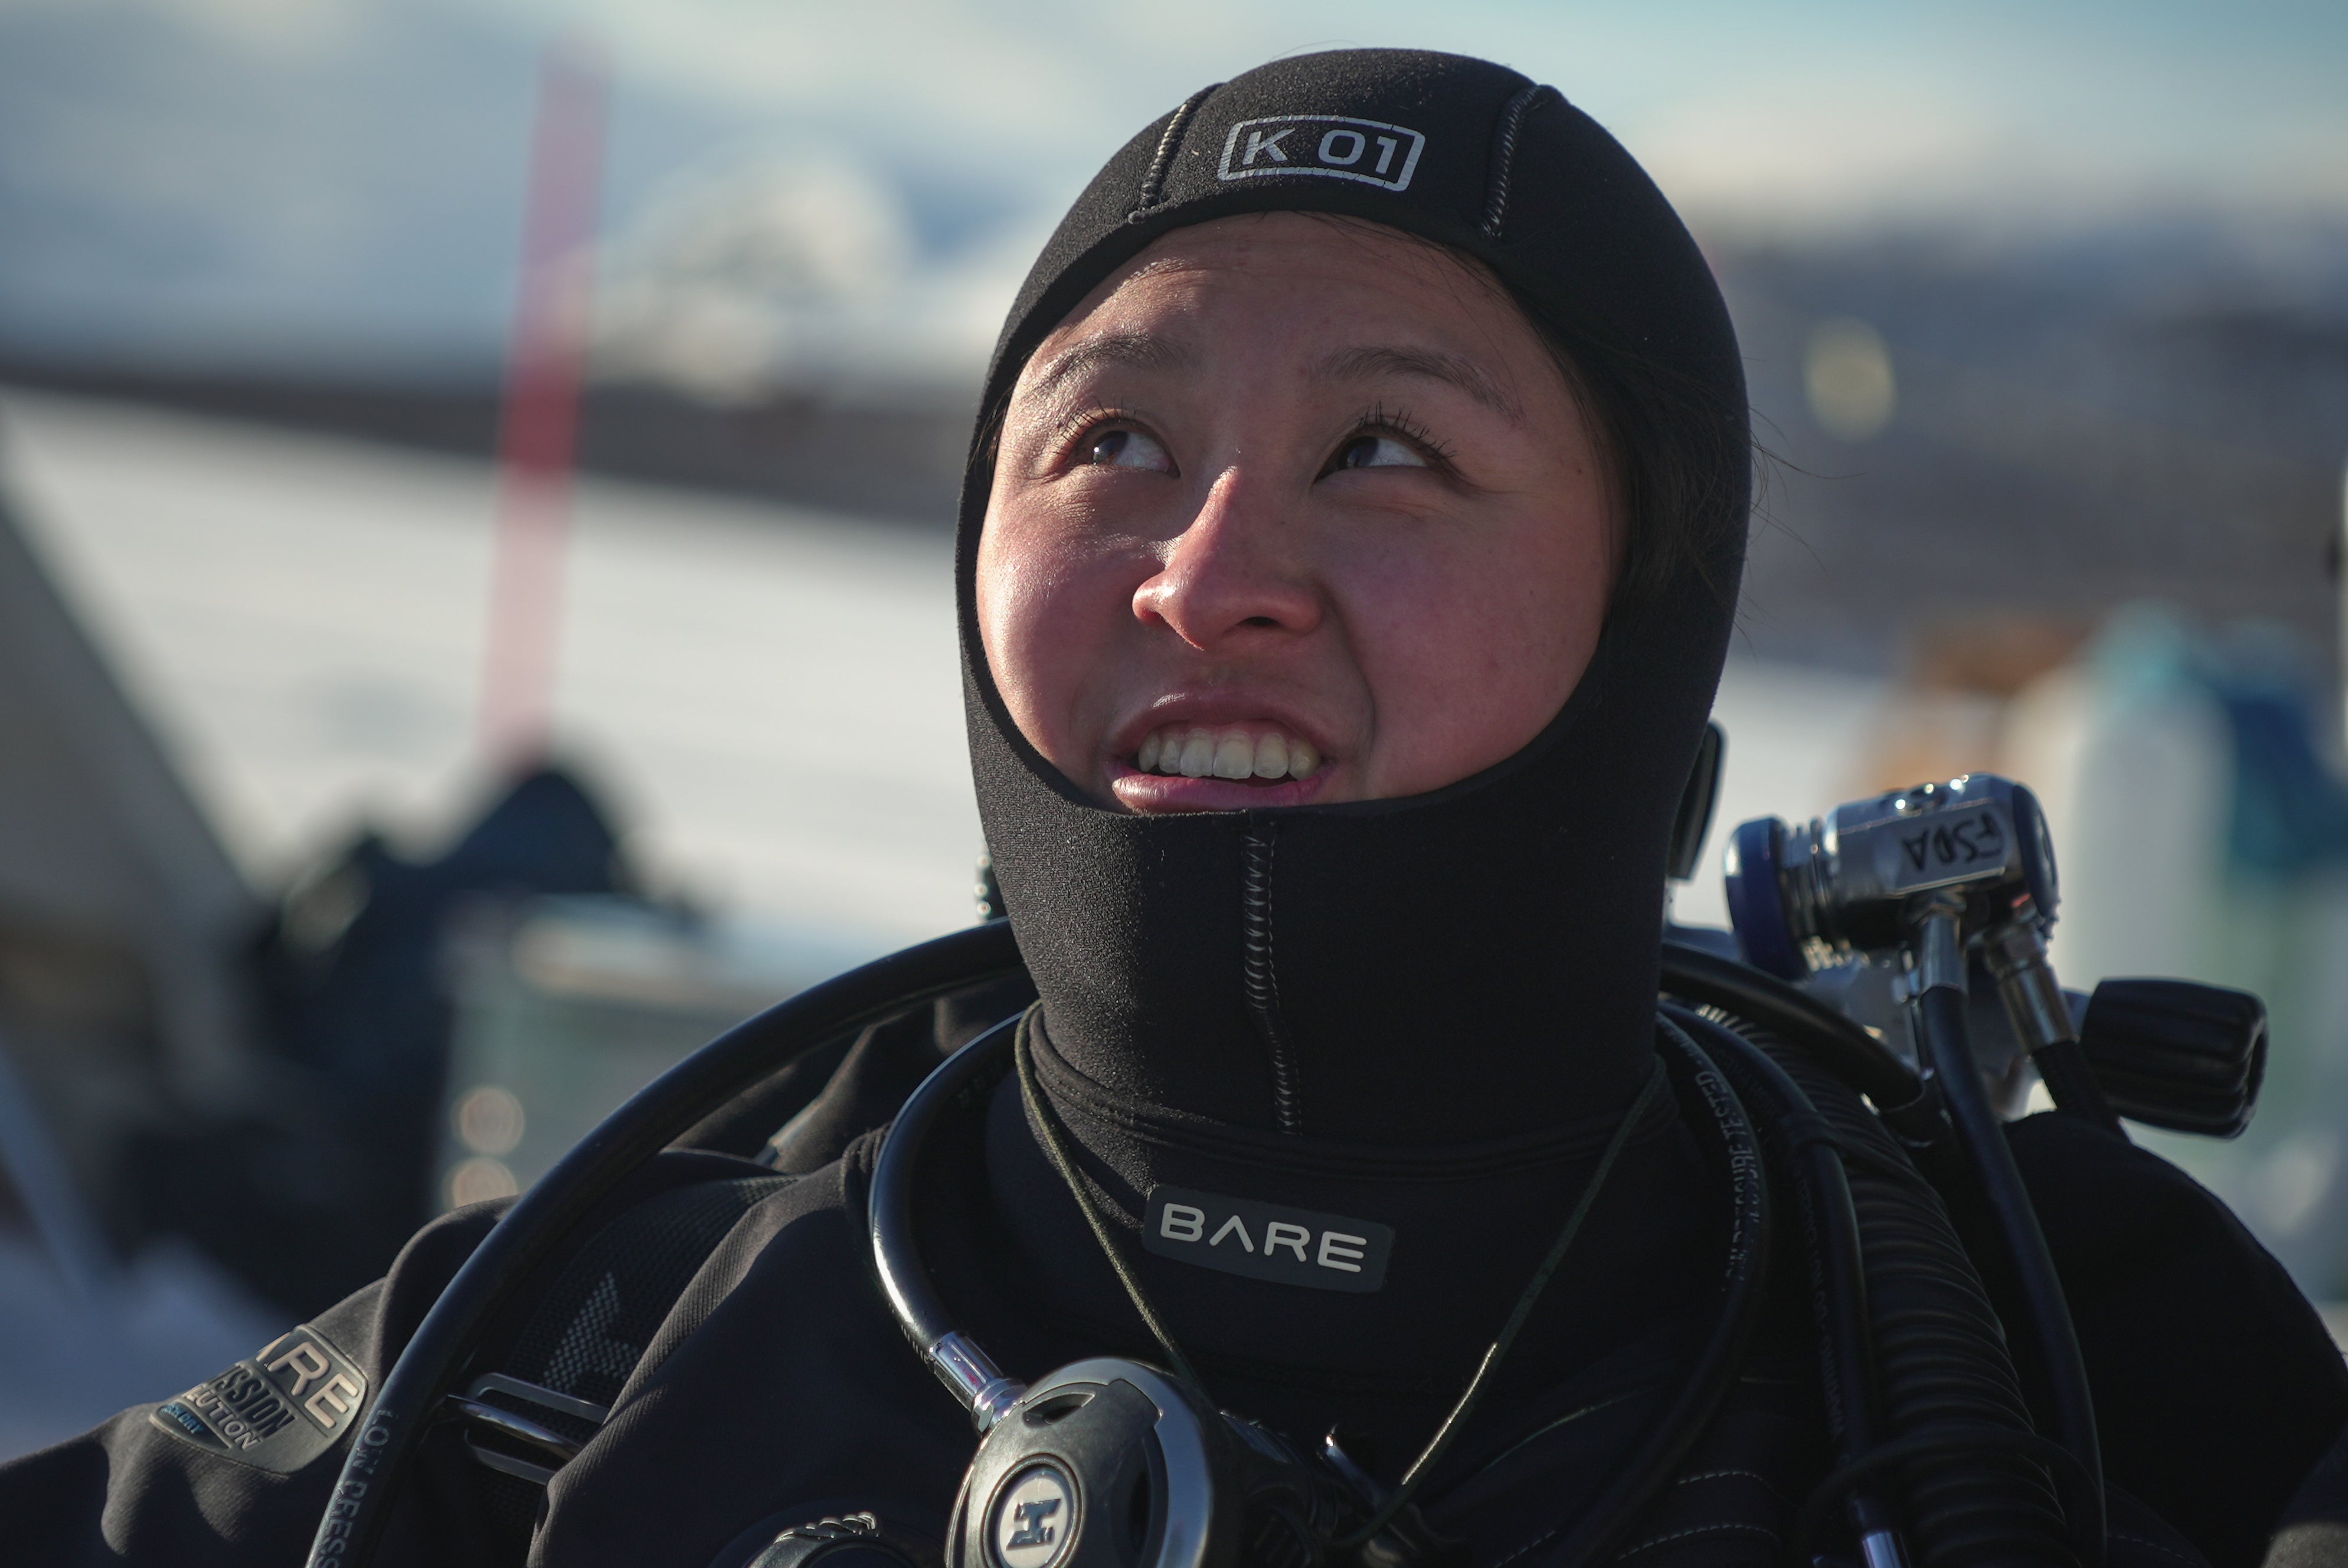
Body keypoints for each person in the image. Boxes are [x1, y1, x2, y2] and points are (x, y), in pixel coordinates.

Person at [7, 48, 2346, 1568]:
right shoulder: (571, 1330)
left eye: (1391, 453)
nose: (1205, 571)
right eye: (1108, 441)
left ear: (1650, 624)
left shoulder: (2090, 1370)